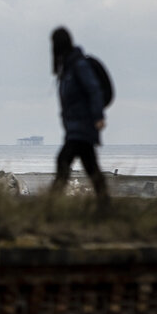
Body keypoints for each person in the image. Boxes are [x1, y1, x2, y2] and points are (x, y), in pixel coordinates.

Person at [49, 26, 109, 206]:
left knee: (63, 161)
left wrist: (98, 117)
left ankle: (50, 206)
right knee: (91, 168)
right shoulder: (67, 68)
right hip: (75, 127)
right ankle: (105, 206)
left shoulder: (78, 65)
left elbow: (94, 90)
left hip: (82, 127)